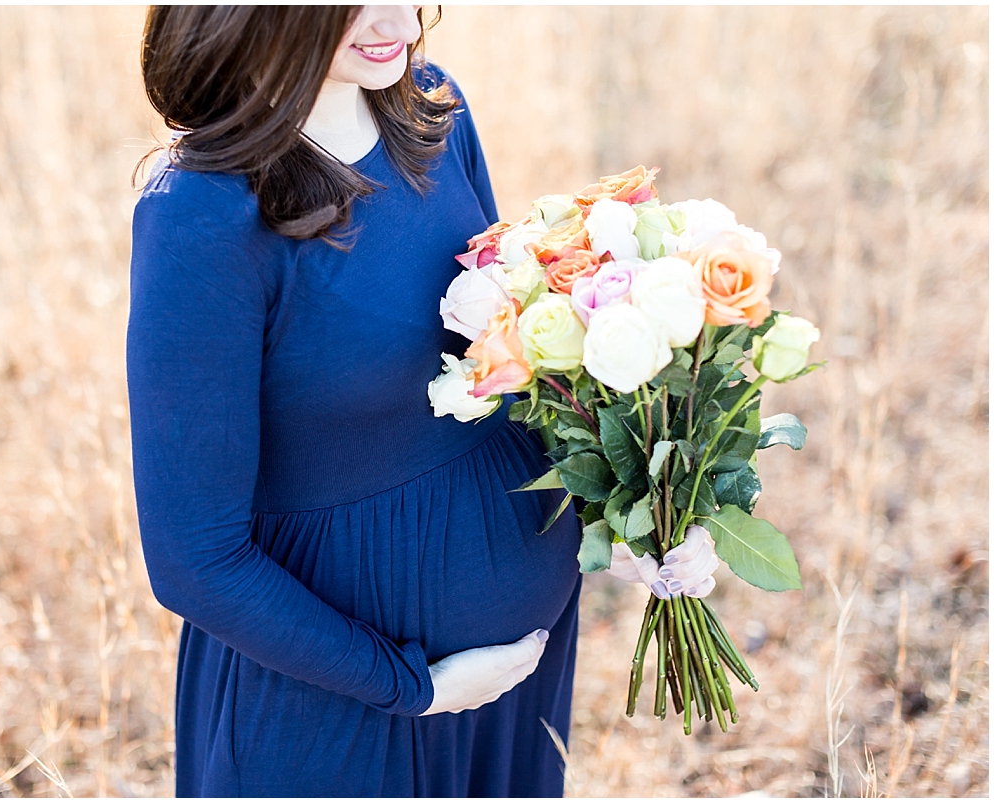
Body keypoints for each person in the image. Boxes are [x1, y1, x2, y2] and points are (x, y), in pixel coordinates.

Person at [126, 6, 717, 797]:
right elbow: (193, 560)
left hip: (512, 687)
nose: (401, 20)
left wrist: (635, 520)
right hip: (335, 708)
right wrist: (414, 685)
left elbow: (507, 370)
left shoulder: (432, 108)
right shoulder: (202, 214)